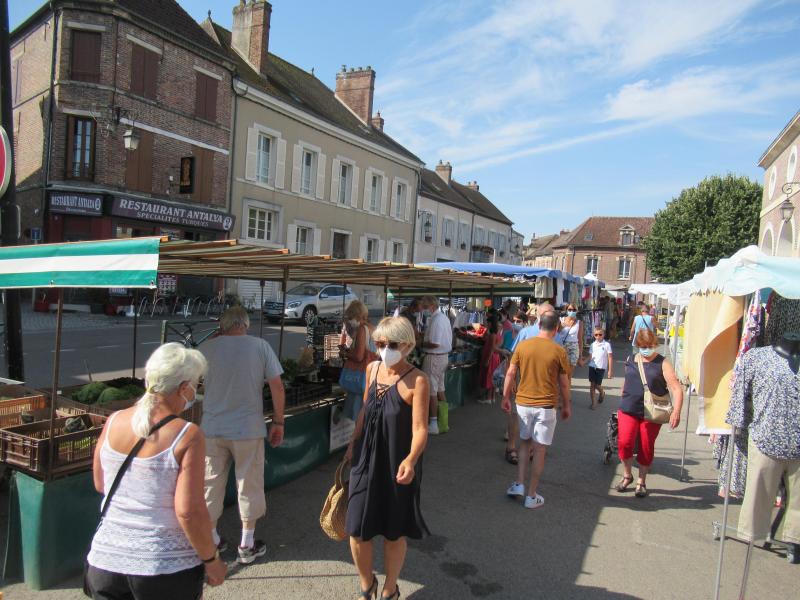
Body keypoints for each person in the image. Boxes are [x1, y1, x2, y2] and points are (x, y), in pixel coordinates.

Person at [85, 343, 227, 598]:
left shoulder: (114, 420)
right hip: (161, 568)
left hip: (105, 562)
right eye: (196, 385)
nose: (196, 391)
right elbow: (189, 511)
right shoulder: (187, 434)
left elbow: (100, 483)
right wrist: (211, 559)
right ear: (184, 388)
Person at [345, 317, 430, 600]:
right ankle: (367, 585)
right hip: (365, 458)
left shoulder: (418, 380)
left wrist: (411, 459)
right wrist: (353, 442)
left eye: (391, 344)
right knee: (356, 528)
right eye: (379, 343)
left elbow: (419, 429)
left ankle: (390, 589)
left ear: (407, 345)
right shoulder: (371, 369)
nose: (384, 349)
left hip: (396, 463)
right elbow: (365, 409)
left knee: (394, 531)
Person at [201, 306, 285, 564]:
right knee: (248, 484)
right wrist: (278, 422)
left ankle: (212, 539)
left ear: (222, 326)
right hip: (247, 429)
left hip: (212, 429)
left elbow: (190, 384)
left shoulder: (206, 349)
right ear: (246, 324)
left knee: (210, 484)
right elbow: (277, 387)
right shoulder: (260, 346)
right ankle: (247, 543)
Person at [502, 312, 572, 509]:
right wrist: (566, 405)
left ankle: (519, 483)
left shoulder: (523, 345)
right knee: (540, 448)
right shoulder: (559, 351)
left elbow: (510, 372)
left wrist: (506, 397)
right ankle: (531, 494)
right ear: (557, 328)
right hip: (546, 405)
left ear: (538, 324)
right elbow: (564, 384)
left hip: (523, 402)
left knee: (524, 443)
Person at [615, 329, 684, 498]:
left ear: (655, 345)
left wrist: (676, 411)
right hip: (628, 408)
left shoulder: (663, 362)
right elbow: (627, 381)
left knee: (646, 446)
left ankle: (641, 481)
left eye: (649, 346)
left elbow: (676, 388)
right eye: (642, 346)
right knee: (624, 443)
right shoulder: (631, 359)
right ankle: (627, 475)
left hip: (652, 413)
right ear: (637, 345)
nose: (646, 349)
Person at [419, 296, 452, 435]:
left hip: (435, 357)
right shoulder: (443, 318)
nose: (423, 310)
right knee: (440, 389)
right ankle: (443, 422)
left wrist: (419, 343)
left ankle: (433, 423)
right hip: (442, 357)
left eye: (424, 307)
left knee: (432, 391)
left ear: (431, 306)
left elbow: (435, 343)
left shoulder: (437, 319)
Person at [340, 300, 372, 421]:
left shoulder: (362, 330)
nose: (349, 320)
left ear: (357, 316)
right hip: (372, 376)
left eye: (350, 317)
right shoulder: (372, 328)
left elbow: (359, 356)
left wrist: (345, 353)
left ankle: (359, 439)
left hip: (362, 376)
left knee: (360, 418)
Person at [479, 312, 503, 405]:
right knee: (493, 377)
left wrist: (488, 360)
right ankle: (492, 397)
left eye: (487, 322)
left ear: (490, 323)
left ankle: (489, 398)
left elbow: (492, 348)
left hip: (491, 357)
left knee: (490, 377)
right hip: (494, 357)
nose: (486, 324)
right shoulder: (496, 333)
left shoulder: (493, 334)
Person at [587, 328, 613, 409]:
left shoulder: (607, 345)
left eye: (600, 334)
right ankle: (593, 403)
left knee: (597, 385)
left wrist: (610, 370)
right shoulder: (592, 345)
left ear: (603, 335)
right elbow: (590, 356)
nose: (598, 336)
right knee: (592, 385)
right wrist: (583, 361)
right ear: (594, 336)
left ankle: (602, 392)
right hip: (592, 366)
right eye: (596, 335)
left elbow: (610, 357)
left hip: (601, 368)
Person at [561, 304, 583, 376]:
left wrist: (580, 356)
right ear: (566, 310)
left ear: (577, 311)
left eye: (574, 310)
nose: (572, 311)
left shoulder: (579, 322)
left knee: (569, 374)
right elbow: (555, 333)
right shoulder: (561, 320)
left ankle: (567, 387)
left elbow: (580, 339)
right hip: (562, 346)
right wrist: (564, 325)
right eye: (570, 310)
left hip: (574, 347)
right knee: (562, 371)